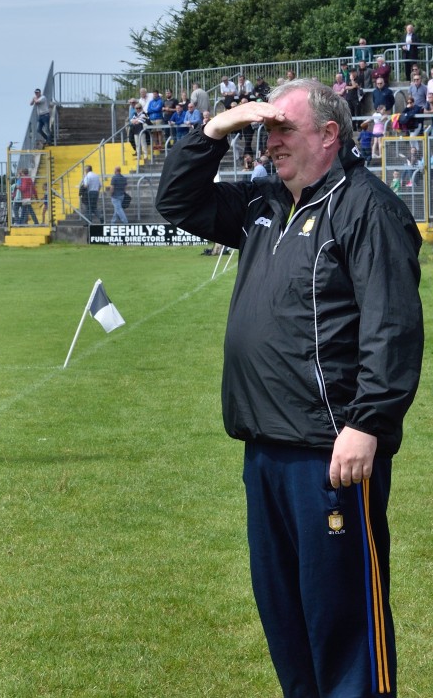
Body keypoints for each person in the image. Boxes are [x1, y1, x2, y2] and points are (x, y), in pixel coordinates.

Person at [155, 78, 423, 698]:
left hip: (330, 452)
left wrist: (368, 424)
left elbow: (393, 327)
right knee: (287, 619)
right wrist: (212, 132)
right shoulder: (265, 204)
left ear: (329, 135)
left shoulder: (366, 208)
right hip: (266, 447)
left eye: (284, 130)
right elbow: (177, 202)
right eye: (266, 131)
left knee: (343, 623)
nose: (271, 143)